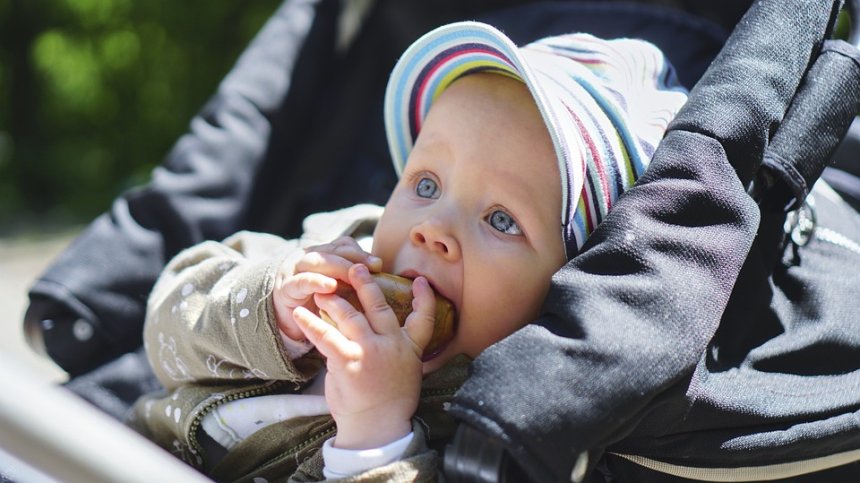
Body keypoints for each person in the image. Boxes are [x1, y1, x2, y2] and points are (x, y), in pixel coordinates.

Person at [126, 22, 688, 481]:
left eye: (501, 219)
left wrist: (377, 434)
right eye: (426, 184)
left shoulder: (492, 424)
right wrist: (268, 311)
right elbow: (163, 333)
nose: (432, 228)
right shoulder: (330, 249)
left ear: (568, 281)